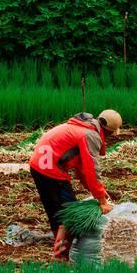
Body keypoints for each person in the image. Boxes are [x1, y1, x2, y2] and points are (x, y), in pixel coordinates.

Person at [28, 109, 121, 260]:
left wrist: (98, 192)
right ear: (109, 131)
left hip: (38, 165)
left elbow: (81, 168)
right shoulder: (91, 135)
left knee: (56, 210)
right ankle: (61, 255)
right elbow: (91, 169)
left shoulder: (81, 127)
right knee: (70, 214)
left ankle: (60, 243)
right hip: (51, 170)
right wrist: (102, 201)